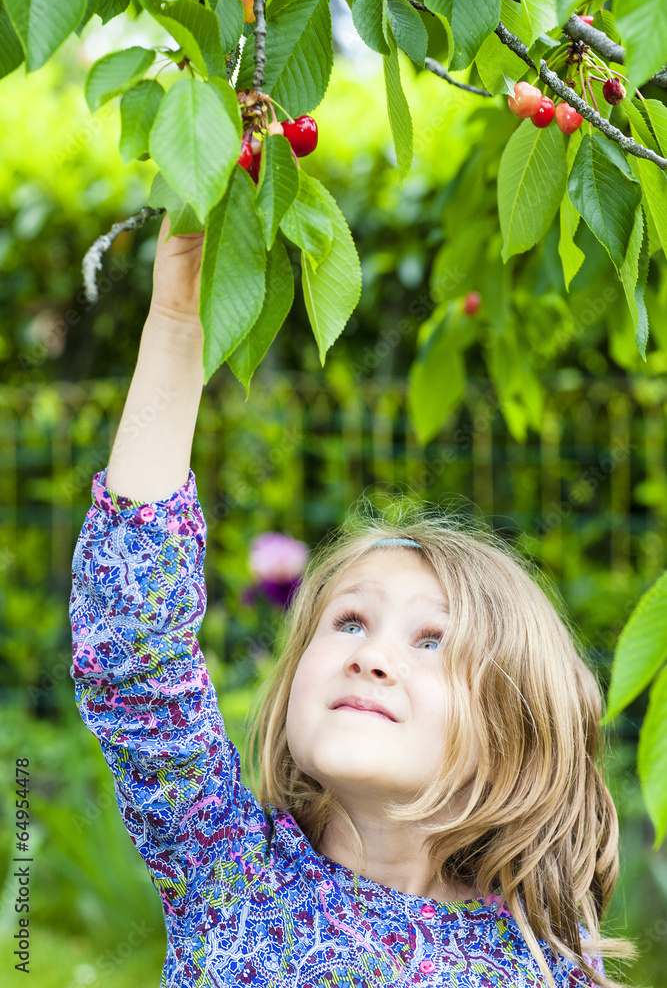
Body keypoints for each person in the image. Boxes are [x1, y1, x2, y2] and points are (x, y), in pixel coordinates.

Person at [69, 213, 635, 988]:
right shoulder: (228, 873)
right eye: (348, 621)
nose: (370, 656)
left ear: (513, 728)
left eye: (431, 641)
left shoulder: (544, 966)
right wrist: (174, 323)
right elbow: (133, 647)